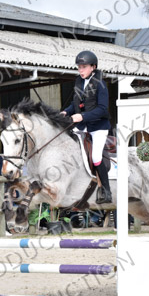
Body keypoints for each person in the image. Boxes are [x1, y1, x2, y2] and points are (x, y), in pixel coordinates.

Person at [60, 50, 112, 204]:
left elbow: (102, 109)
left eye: (84, 67)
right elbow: (75, 103)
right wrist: (66, 111)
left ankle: (106, 191)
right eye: (79, 67)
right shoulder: (79, 82)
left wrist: (82, 116)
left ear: (93, 67)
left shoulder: (101, 85)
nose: (80, 70)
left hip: (98, 127)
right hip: (82, 127)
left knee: (96, 157)